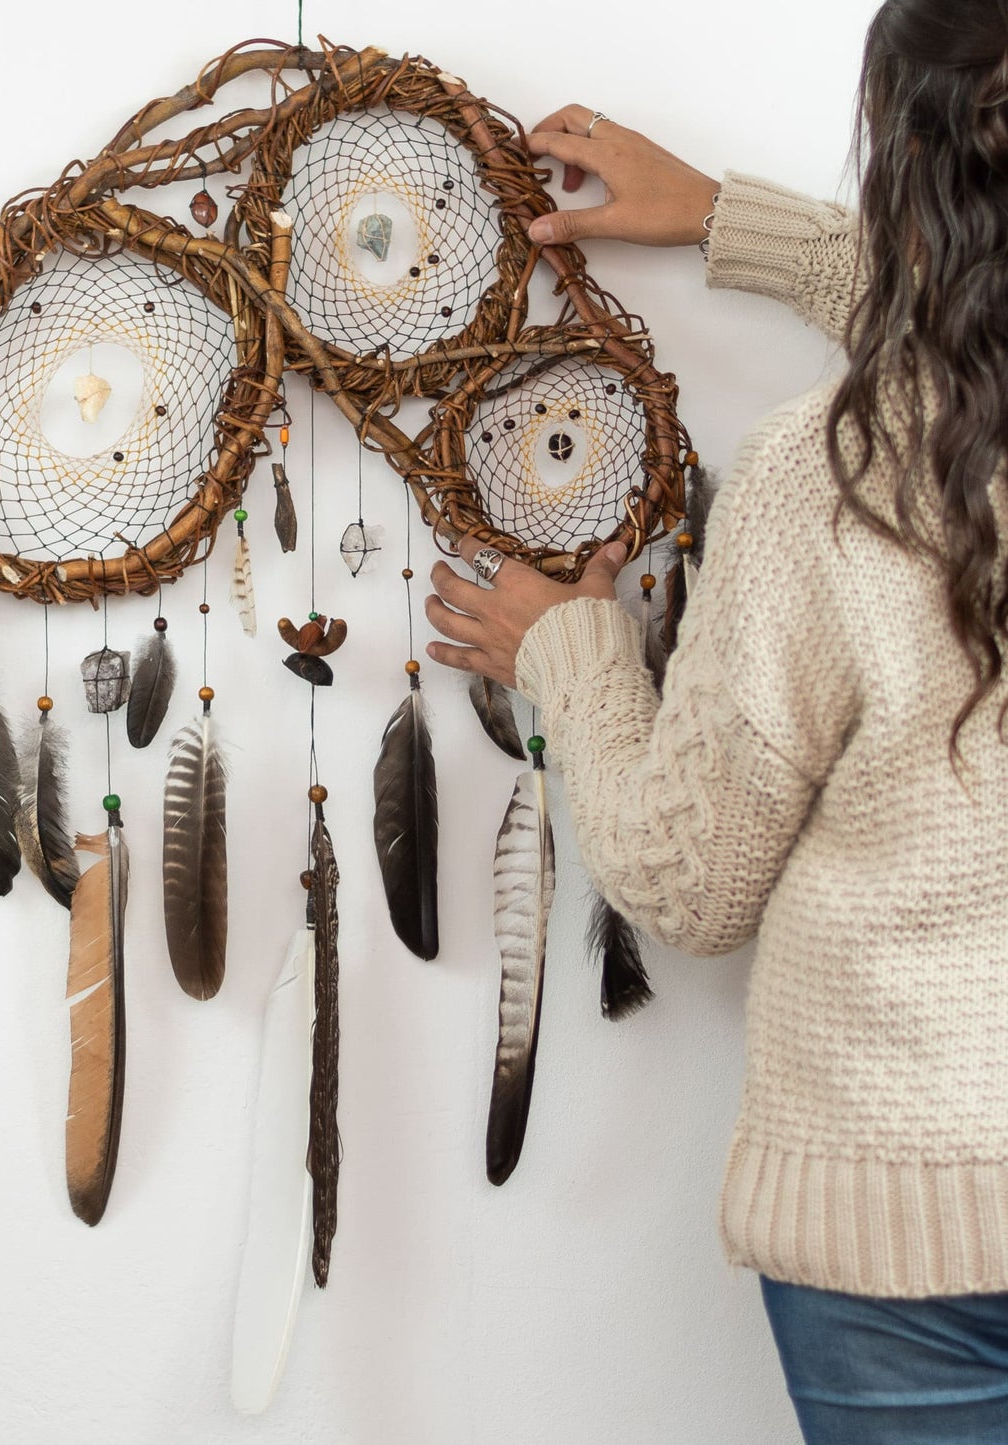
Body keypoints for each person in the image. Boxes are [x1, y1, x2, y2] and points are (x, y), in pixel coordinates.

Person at [424, 3, 1008, 1441]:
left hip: (910, 1232)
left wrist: (571, 652)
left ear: (903, 161)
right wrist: (723, 223)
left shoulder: (833, 476)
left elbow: (688, 882)